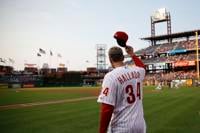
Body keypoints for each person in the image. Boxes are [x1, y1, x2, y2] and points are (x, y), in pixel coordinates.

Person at [97, 45, 146, 133]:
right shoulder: (137, 71)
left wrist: (102, 131)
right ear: (123, 57)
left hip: (121, 127)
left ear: (110, 59)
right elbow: (143, 67)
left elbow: (107, 108)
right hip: (140, 126)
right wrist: (132, 54)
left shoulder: (111, 76)